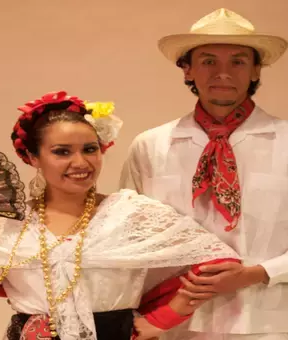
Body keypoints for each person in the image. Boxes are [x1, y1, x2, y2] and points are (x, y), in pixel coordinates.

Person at [0, 90, 239, 340]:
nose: (80, 162)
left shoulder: (130, 213)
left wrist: (164, 319)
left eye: (90, 149)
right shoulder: (7, 223)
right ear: (33, 157)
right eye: (62, 152)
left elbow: (216, 260)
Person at [120, 7, 288, 340]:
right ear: (187, 70)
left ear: (256, 70)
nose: (222, 73)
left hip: (269, 323)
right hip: (172, 324)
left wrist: (258, 273)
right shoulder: (150, 146)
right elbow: (126, 240)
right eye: (209, 61)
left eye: (238, 61)